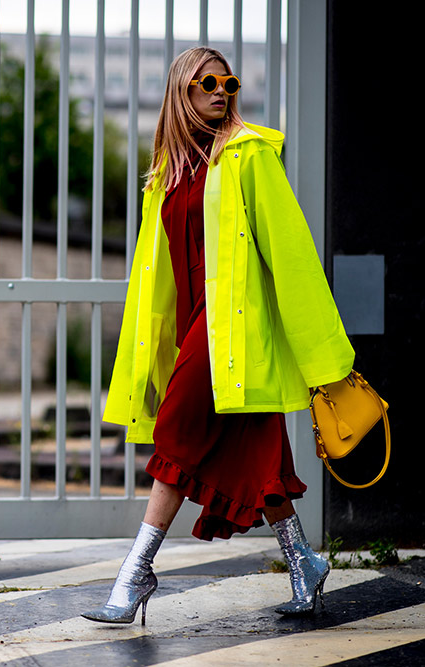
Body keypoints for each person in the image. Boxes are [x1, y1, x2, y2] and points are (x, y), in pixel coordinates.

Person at [82, 46, 354, 625]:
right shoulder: (167, 171)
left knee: (176, 431)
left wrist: (325, 355)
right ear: (181, 89)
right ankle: (302, 561)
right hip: (194, 333)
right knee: (259, 452)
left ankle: (135, 573)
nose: (220, 90)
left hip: (234, 332)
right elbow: (156, 277)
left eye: (228, 82)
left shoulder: (249, 155)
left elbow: (292, 254)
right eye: (206, 81)